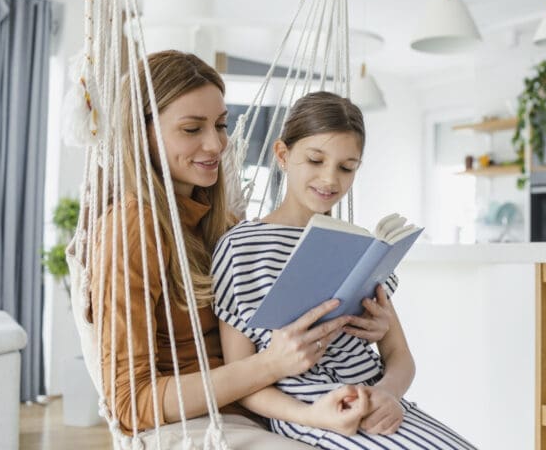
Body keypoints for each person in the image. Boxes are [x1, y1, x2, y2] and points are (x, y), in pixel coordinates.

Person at [89, 51, 387, 448]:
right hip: (207, 421)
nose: (216, 144)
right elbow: (129, 402)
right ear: (142, 133)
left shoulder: (223, 224)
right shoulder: (132, 226)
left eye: (221, 124)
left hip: (275, 405)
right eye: (192, 128)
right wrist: (269, 365)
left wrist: (366, 326)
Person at [212, 91, 478, 449]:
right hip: (310, 408)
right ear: (283, 155)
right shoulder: (241, 246)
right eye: (315, 160)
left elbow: (399, 355)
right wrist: (314, 415)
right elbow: (241, 378)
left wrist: (388, 394)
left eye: (346, 167)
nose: (330, 179)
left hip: (379, 399)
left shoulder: (360, 247)